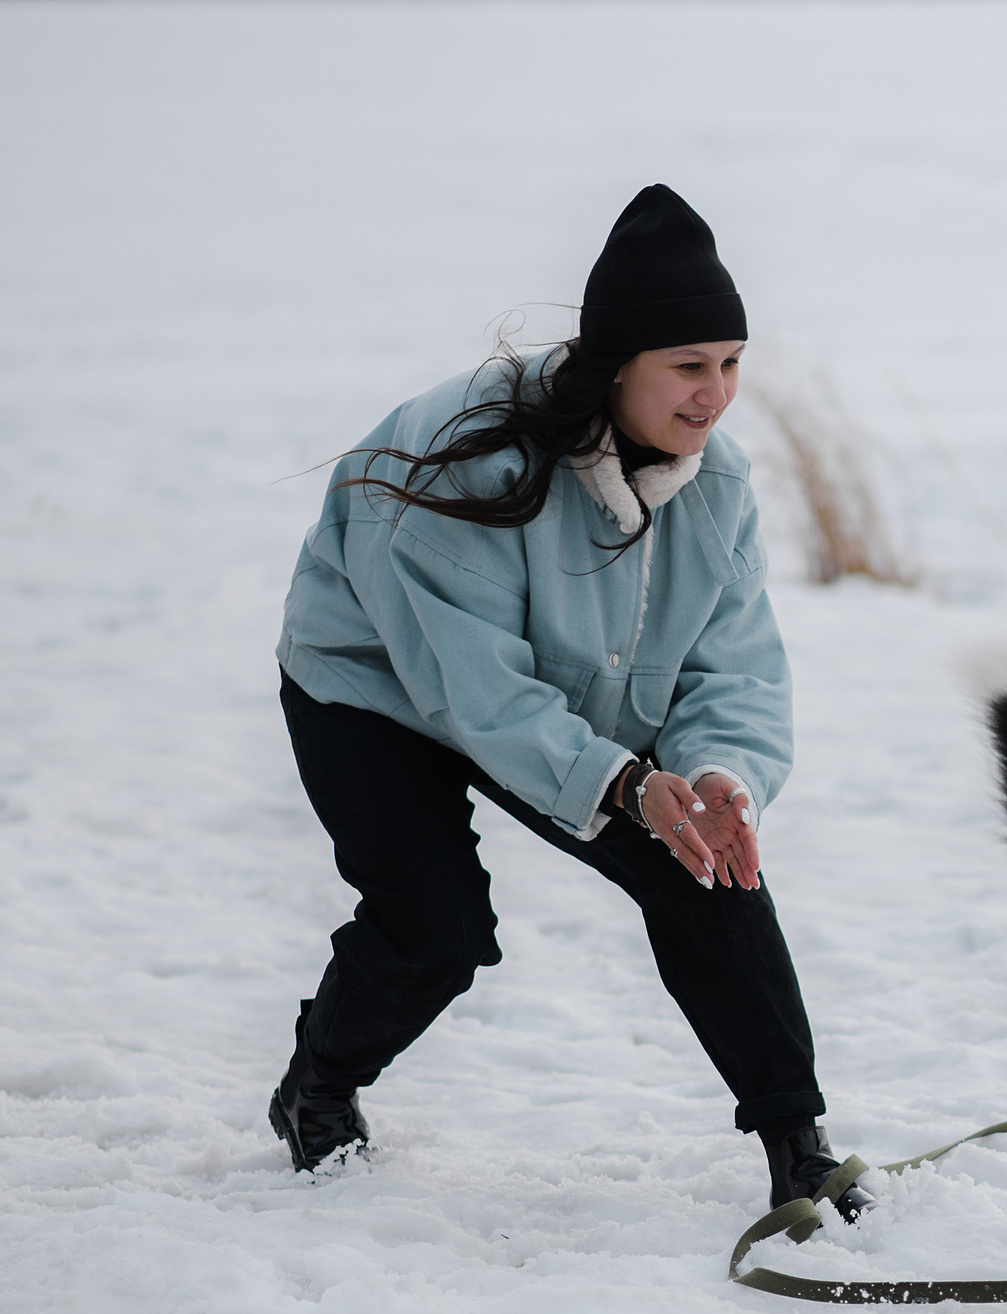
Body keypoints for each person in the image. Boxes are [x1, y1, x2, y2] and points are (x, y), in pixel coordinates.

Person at [269, 185, 870, 1225]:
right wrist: (626, 783)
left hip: (570, 687)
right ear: (616, 364)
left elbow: (735, 669)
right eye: (688, 366)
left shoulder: (715, 488)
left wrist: (717, 777)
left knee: (710, 861)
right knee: (435, 930)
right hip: (374, 686)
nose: (715, 395)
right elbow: (478, 693)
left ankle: (798, 1147)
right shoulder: (463, 461)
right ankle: (315, 1088)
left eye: (731, 363)